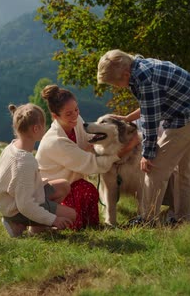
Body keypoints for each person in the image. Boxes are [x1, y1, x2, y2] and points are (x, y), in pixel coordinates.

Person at [97, 49, 190, 225]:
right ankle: (182, 219)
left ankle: (147, 219)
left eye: (115, 83)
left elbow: (151, 121)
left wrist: (147, 154)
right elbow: (152, 104)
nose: (116, 87)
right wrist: (129, 118)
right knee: (184, 169)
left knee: (154, 168)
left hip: (186, 118)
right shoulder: (141, 67)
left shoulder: (144, 79)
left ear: (125, 74)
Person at [36, 85, 140, 230]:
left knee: (89, 190)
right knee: (84, 194)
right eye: (68, 114)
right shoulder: (55, 141)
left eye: (76, 110)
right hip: (51, 191)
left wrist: (116, 140)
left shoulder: (76, 121)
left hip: (71, 183)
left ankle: (87, 225)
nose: (75, 116)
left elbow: (90, 141)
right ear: (55, 116)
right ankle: (44, 219)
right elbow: (93, 164)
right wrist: (127, 148)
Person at [0, 103, 76, 237]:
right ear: (36, 128)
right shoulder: (25, 161)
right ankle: (17, 224)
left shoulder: (12, 147)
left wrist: (37, 182)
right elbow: (25, 205)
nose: (46, 128)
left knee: (63, 185)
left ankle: (37, 227)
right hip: (15, 209)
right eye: (44, 125)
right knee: (71, 215)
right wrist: (53, 220)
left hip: (10, 200)